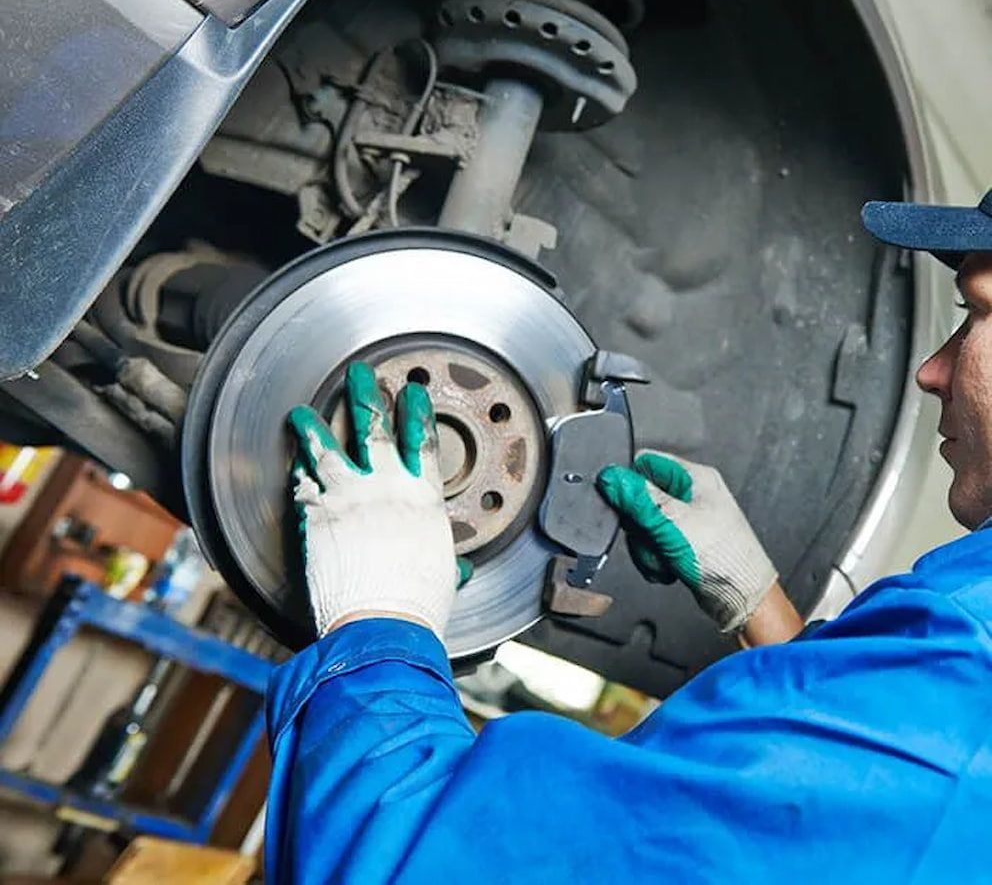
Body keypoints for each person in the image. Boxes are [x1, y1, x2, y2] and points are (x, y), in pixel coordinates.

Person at [264, 190, 992, 883]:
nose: (933, 371)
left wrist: (377, 621)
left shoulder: (965, 664)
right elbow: (852, 825)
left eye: (978, 313)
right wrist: (758, 603)